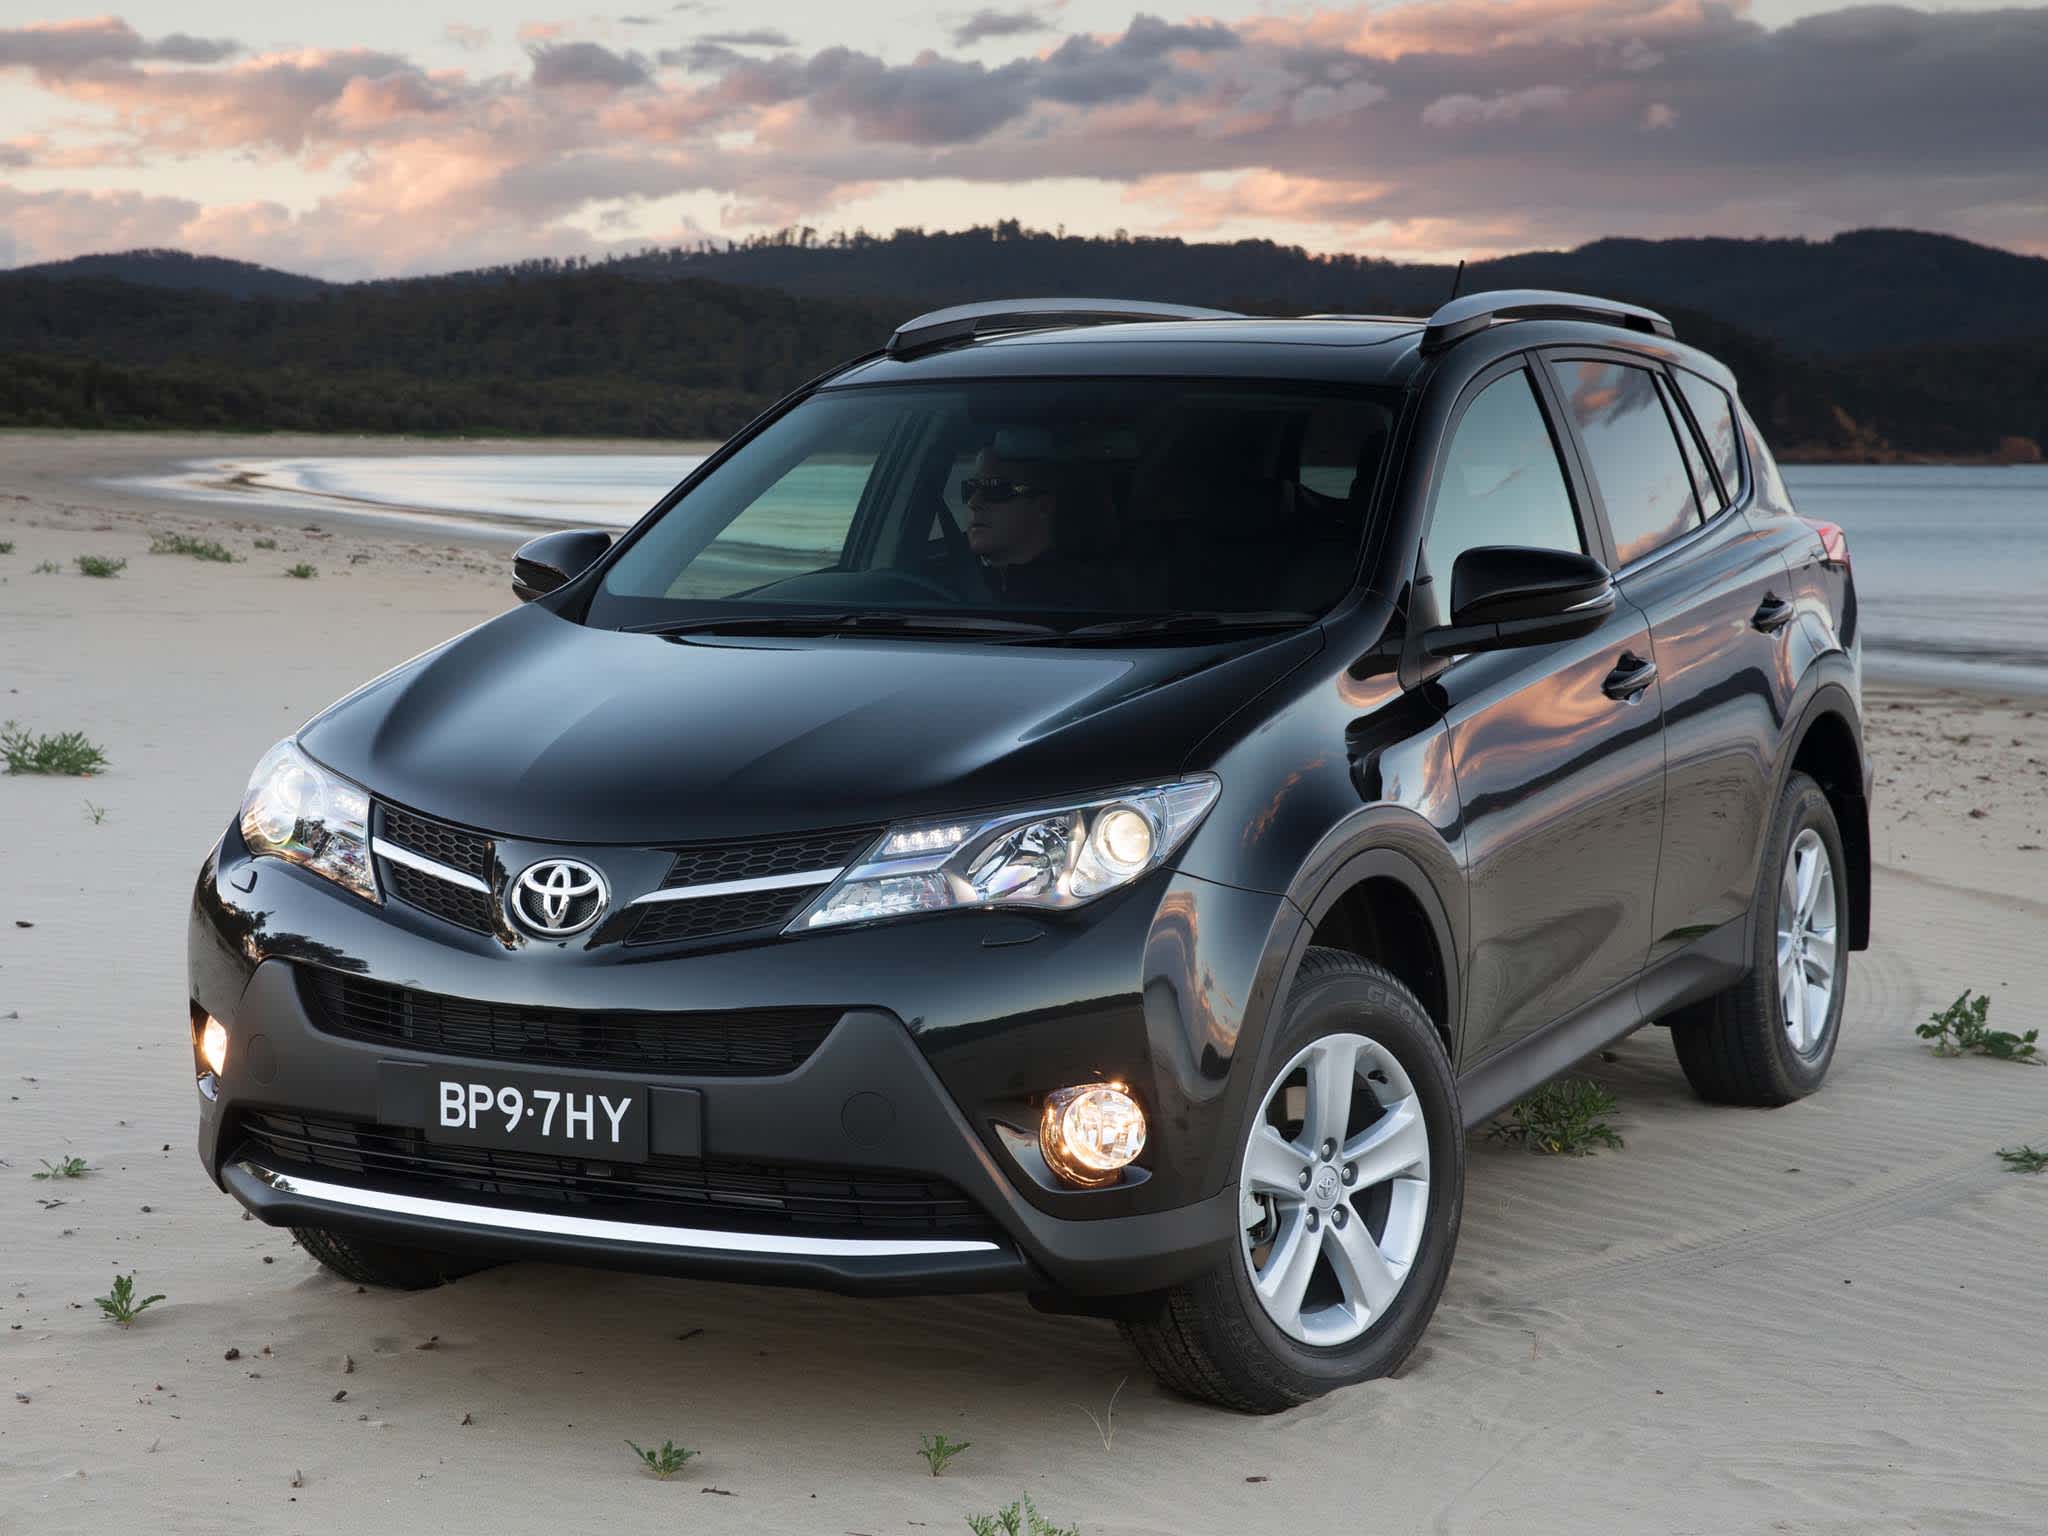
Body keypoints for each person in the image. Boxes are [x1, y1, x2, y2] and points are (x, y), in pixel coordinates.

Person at [960, 427, 1122, 608]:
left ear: (1043, 506)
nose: (973, 502)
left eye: (995, 488)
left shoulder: (1086, 602)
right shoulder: (951, 583)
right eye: (970, 488)